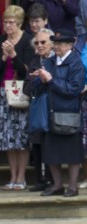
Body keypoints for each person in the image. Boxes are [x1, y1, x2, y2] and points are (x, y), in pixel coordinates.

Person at [29, 31, 85, 196]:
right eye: (55, 43)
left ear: (69, 45)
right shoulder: (49, 61)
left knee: (72, 154)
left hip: (69, 113)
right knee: (51, 152)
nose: (56, 46)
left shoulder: (76, 63)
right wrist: (39, 78)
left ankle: (73, 187)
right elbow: (36, 87)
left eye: (60, 43)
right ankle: (57, 185)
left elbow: (73, 89)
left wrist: (51, 80)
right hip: (50, 112)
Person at [0, 6, 34, 191]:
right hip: (3, 92)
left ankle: (21, 177)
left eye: (11, 23)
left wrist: (14, 55)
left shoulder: (28, 40)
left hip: (20, 92)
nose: (7, 26)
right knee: (7, 137)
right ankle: (12, 176)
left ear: (19, 23)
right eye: (5, 22)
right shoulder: (0, 39)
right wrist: (3, 56)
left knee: (21, 138)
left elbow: (27, 71)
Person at [25, 29, 56, 192]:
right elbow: (26, 89)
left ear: (52, 43)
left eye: (43, 42)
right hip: (38, 109)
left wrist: (46, 79)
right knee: (36, 145)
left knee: (50, 145)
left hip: (53, 108)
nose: (40, 45)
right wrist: (34, 79)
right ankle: (39, 180)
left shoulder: (58, 60)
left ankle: (53, 181)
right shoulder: (34, 61)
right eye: (37, 43)